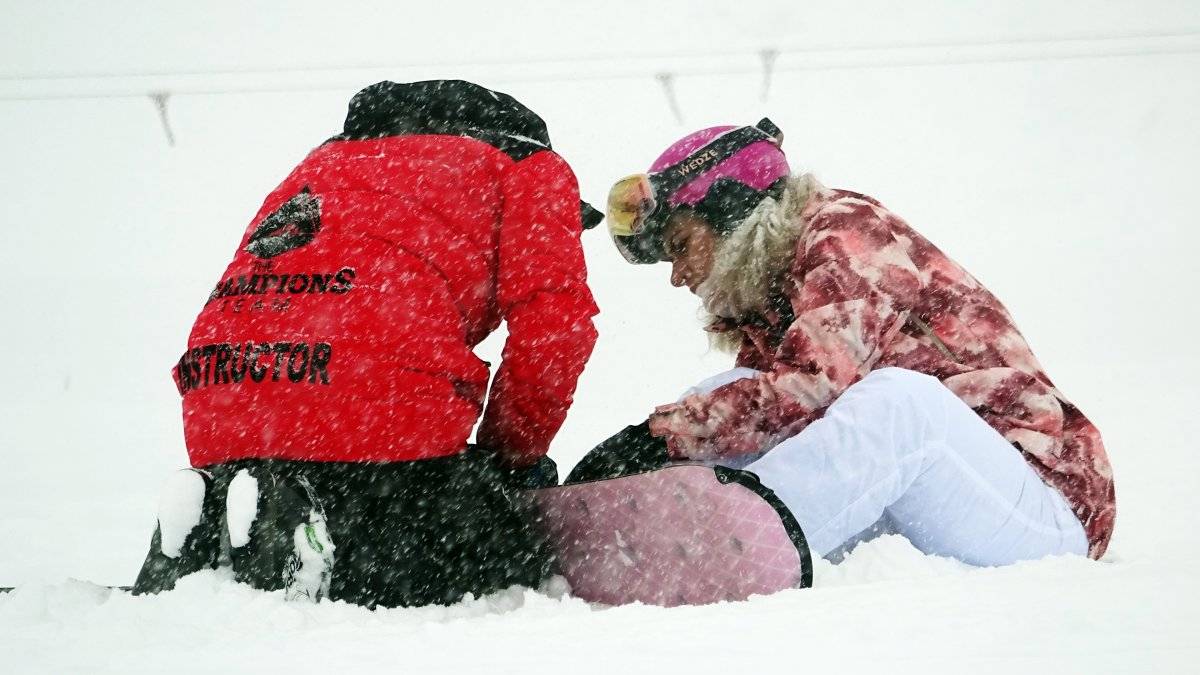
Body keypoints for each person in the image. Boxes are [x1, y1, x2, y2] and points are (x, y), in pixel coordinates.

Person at [133, 80, 600, 607]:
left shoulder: (328, 160)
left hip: (223, 399)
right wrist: (510, 456)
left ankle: (230, 525)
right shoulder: (528, 164)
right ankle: (347, 546)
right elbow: (556, 329)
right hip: (374, 414)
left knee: (317, 486)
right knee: (507, 568)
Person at [580, 118, 1115, 566]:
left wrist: (656, 437)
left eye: (680, 245)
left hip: (1042, 509)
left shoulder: (843, 232)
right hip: (935, 502)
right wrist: (653, 453)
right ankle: (649, 527)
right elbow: (764, 408)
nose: (678, 276)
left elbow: (810, 388)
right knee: (735, 386)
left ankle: (723, 544)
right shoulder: (773, 291)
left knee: (900, 403)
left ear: (730, 206)